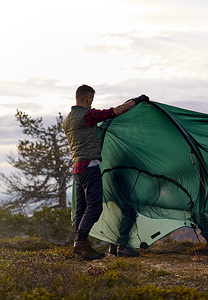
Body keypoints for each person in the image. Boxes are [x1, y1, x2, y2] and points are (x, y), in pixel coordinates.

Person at [62, 84, 149, 260]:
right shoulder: (87, 116)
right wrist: (138, 100)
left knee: (81, 208)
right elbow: (116, 111)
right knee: (94, 207)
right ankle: (81, 242)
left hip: (78, 169)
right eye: (91, 100)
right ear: (87, 98)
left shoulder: (67, 120)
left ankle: (82, 248)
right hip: (90, 167)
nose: (92, 103)